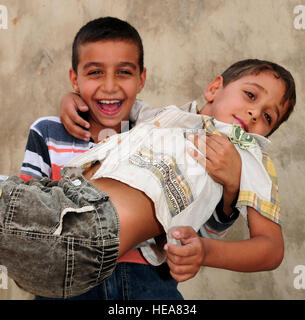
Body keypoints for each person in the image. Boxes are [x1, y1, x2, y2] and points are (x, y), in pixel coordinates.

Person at [0, 58, 295, 299]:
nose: (255, 112)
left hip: (91, 232)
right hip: (56, 207)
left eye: (269, 117)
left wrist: (205, 251)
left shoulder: (250, 157)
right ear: (214, 87)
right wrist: (72, 100)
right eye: (251, 95)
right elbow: (109, 106)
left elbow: (270, 248)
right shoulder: (163, 117)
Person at [19, 17, 240, 300]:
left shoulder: (162, 137)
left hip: (148, 281)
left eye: (123, 72)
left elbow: (200, 230)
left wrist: (230, 191)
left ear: (141, 79)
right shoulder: (47, 132)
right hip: (68, 281)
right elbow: (26, 218)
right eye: (95, 72)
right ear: (75, 79)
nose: (110, 86)